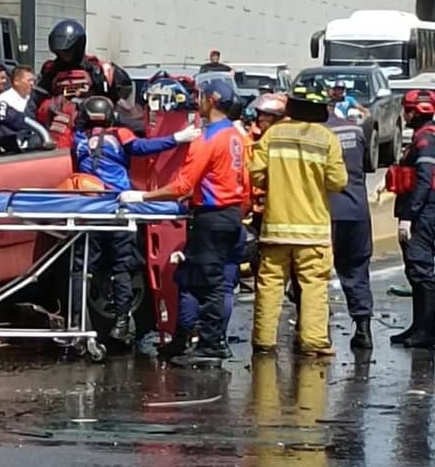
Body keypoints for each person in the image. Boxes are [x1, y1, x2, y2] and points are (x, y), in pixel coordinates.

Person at [123, 74, 249, 365]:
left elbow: (182, 185)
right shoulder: (235, 136)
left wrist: (143, 196)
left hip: (212, 217)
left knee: (208, 283)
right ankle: (186, 339)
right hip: (230, 215)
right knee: (196, 279)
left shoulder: (208, 139)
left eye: (202, 97)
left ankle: (211, 344)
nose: (198, 102)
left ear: (212, 101)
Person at [73, 95, 199, 344]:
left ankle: (77, 321)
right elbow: (142, 147)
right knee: (122, 266)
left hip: (90, 211)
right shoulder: (119, 135)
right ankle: (121, 322)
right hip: (120, 208)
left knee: (82, 269)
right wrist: (176, 138)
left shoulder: (78, 140)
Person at [248, 86, 347, 356]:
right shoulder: (327, 139)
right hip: (312, 231)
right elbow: (337, 182)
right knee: (314, 285)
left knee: (269, 285)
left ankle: (264, 340)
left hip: (275, 228)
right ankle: (313, 342)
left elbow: (256, 175)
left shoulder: (273, 135)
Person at [390, 89, 435, 348]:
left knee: (421, 270)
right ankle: (419, 327)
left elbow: (424, 180)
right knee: (416, 270)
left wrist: (409, 216)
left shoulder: (425, 140)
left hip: (424, 211)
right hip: (423, 208)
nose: (404, 115)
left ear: (416, 113)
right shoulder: (423, 136)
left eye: (407, 111)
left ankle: (426, 331)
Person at [328, 103, 374, 350]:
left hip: (328, 212)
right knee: (357, 270)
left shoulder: (316, 133)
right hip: (357, 210)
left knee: (313, 273)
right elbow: (367, 166)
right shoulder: (355, 130)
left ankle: (313, 330)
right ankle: (363, 329)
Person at [37, 19, 129, 102]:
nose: (64, 54)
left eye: (68, 50)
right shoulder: (50, 70)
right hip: (58, 113)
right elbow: (36, 99)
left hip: (90, 114)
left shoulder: (97, 69)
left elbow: (121, 97)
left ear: (78, 46)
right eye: (61, 51)